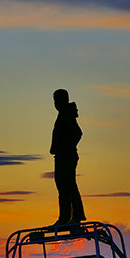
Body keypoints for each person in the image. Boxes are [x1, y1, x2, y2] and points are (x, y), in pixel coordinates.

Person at [50, 88, 86, 227]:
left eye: (57, 99)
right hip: (61, 156)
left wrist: (65, 148)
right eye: (54, 100)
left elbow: (78, 133)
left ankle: (74, 217)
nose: (56, 103)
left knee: (68, 186)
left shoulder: (66, 114)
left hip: (66, 156)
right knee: (63, 187)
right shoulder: (63, 114)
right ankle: (65, 218)